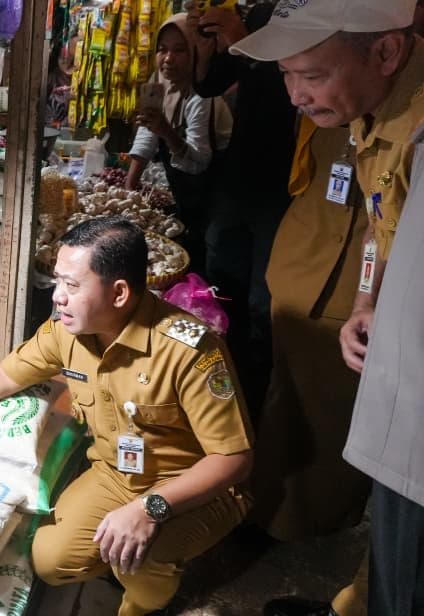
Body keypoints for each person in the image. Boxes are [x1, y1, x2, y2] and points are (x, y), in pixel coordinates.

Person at [0, 217, 254, 616]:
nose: (58, 297)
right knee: (50, 560)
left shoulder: (188, 350)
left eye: (72, 286)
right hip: (115, 474)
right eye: (58, 281)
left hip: (191, 488)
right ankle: (120, 553)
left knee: (141, 560)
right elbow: (3, 377)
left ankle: (142, 600)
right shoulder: (67, 332)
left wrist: (149, 510)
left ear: (120, 293)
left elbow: (233, 460)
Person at [228, 0, 423, 613]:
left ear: (387, 51)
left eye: (311, 75)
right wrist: (369, 295)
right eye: (286, 75)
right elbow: (379, 216)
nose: (296, 96)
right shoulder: (374, 113)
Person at [250, 116, 371, 545]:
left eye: (312, 75)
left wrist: (367, 295)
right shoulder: (321, 117)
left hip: (358, 294)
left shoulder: (405, 118)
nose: (298, 92)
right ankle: (267, 507)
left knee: (336, 415)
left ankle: (316, 518)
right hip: (298, 271)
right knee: (284, 400)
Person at [186, 0, 298, 419]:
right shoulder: (256, 12)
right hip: (239, 178)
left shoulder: (304, 13)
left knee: (261, 301)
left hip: (282, 182)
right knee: (221, 277)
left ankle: (255, 399)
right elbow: (209, 84)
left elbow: (294, 95)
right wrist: (203, 40)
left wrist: (243, 41)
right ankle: (218, 375)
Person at [125, 14, 231, 272]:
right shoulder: (162, 84)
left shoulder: (202, 96)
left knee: (210, 259)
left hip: (218, 196)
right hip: (186, 194)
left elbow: (199, 162)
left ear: (196, 52)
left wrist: (166, 131)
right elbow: (147, 136)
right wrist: (129, 190)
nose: (168, 59)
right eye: (162, 50)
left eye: (179, 50)